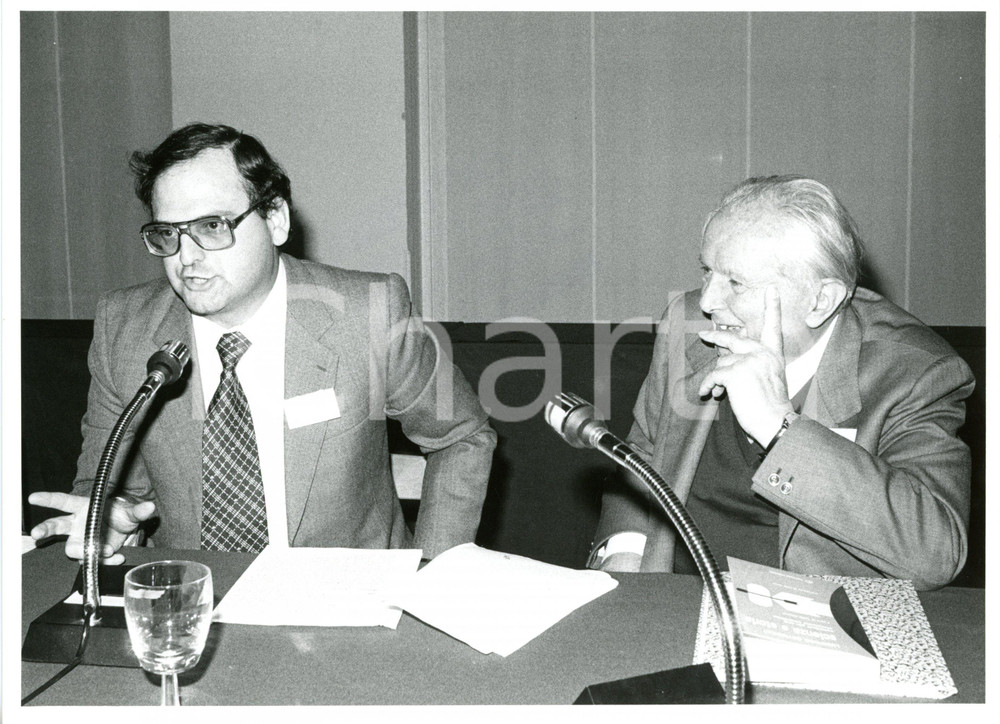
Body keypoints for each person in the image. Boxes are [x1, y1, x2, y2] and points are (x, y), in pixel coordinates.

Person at [29, 122, 496, 564]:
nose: (186, 258)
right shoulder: (124, 329)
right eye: (167, 233)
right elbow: (106, 483)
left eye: (212, 226)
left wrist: (431, 576)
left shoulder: (371, 311)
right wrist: (110, 522)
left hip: (346, 608)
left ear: (275, 220)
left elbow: (461, 437)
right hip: (194, 602)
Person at [590, 175, 973, 590]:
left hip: (821, 621)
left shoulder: (913, 371)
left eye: (736, 283)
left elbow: (936, 554)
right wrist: (624, 556)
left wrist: (780, 427)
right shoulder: (688, 327)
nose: (707, 302)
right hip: (679, 599)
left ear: (820, 301)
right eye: (707, 271)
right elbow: (643, 454)